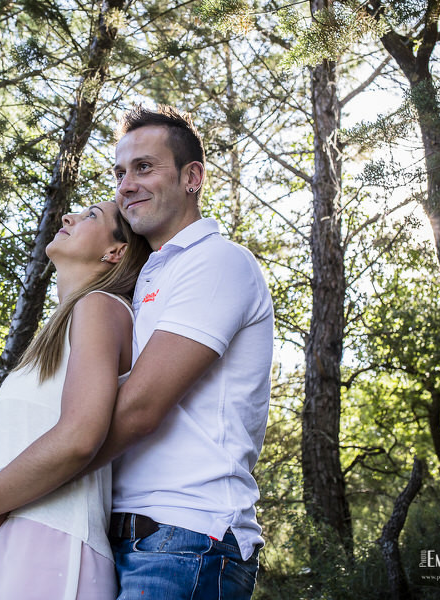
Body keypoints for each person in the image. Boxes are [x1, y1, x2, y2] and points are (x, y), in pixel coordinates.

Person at [92, 105, 275, 599]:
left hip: (187, 539)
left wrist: (21, 488)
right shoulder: (145, 276)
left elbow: (141, 409)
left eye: (144, 167)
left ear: (192, 177)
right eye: (120, 173)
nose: (126, 185)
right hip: (119, 538)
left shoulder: (217, 261)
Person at [0, 200, 151, 600]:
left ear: (115, 251)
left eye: (90, 216)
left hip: (52, 549)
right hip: (16, 547)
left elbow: (80, 437)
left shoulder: (100, 307)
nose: (68, 217)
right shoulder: (62, 327)